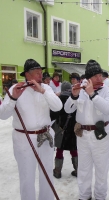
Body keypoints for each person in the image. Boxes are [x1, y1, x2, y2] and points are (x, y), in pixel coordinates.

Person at [0, 59, 62, 200]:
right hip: (24, 139)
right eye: (37, 73)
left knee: (47, 174)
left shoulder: (46, 88)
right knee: (27, 176)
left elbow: (58, 107)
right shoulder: (16, 88)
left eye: (41, 72)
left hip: (45, 136)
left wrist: (43, 91)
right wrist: (13, 99)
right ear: (27, 75)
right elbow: (2, 115)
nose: (41, 75)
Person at [64, 59, 109, 200]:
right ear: (88, 78)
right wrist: (74, 95)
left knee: (101, 169)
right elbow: (67, 109)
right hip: (82, 136)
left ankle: (100, 197)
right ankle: (84, 196)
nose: (100, 78)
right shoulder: (81, 91)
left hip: (101, 136)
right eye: (96, 76)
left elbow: (107, 108)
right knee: (83, 169)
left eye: (100, 75)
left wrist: (93, 94)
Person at [52, 81, 78, 178]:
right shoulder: (75, 97)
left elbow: (55, 113)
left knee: (59, 149)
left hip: (61, 127)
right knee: (74, 149)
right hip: (73, 127)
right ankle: (77, 170)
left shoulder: (58, 98)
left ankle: (57, 171)